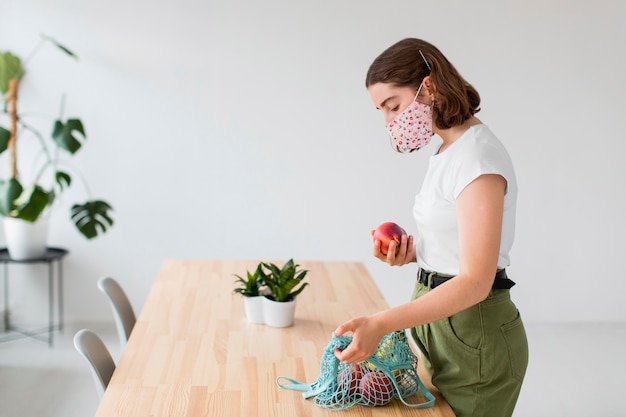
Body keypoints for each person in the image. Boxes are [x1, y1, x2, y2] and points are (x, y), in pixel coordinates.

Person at [333, 38, 528, 417]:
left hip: (476, 334)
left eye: (393, 106)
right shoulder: (448, 152)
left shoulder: (478, 159)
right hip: (442, 326)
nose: (390, 122)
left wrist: (380, 323)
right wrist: (414, 254)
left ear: (431, 86)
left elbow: (475, 280)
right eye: (382, 111)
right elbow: (459, 247)